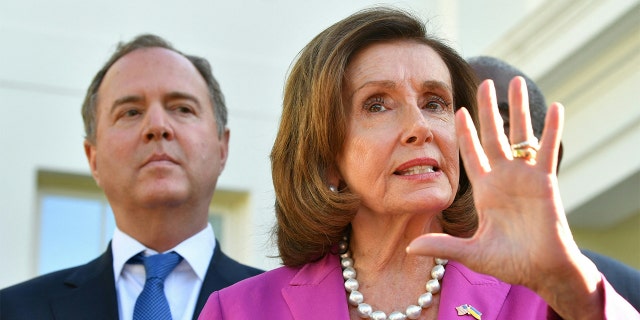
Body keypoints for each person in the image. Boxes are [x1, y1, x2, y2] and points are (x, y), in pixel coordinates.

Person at [198, 7, 639, 320]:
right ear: (325, 155)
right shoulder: (238, 310)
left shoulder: (544, 301)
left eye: (434, 102)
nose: (419, 127)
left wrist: (573, 288)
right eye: (377, 104)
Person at [0, 34, 262, 320]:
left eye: (182, 108)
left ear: (222, 148)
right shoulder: (12, 310)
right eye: (131, 112)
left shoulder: (284, 307)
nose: (158, 126)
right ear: (93, 158)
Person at [468, 55, 640, 312]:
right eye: (456, 121)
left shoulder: (624, 291)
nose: (470, 140)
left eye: (499, 124)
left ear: (551, 157)